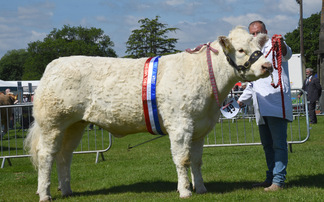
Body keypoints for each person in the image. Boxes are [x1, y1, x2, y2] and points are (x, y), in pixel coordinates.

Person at [237, 20, 293, 191]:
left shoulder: (274, 44)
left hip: (276, 102)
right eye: (252, 33)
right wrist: (240, 101)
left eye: (258, 32)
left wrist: (281, 42)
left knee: (278, 144)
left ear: (266, 32)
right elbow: (253, 83)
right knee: (267, 146)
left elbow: (287, 54)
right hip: (260, 105)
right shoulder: (253, 51)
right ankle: (270, 178)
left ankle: (278, 180)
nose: (255, 36)